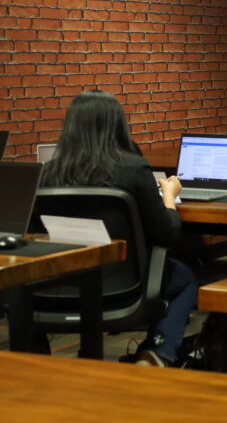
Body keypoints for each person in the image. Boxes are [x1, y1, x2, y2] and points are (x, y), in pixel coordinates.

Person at [40, 90, 197, 367]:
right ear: (117, 126)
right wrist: (169, 197)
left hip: (59, 288)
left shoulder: (47, 174)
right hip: (126, 288)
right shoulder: (134, 169)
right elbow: (167, 233)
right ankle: (157, 351)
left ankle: (33, 358)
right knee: (186, 277)